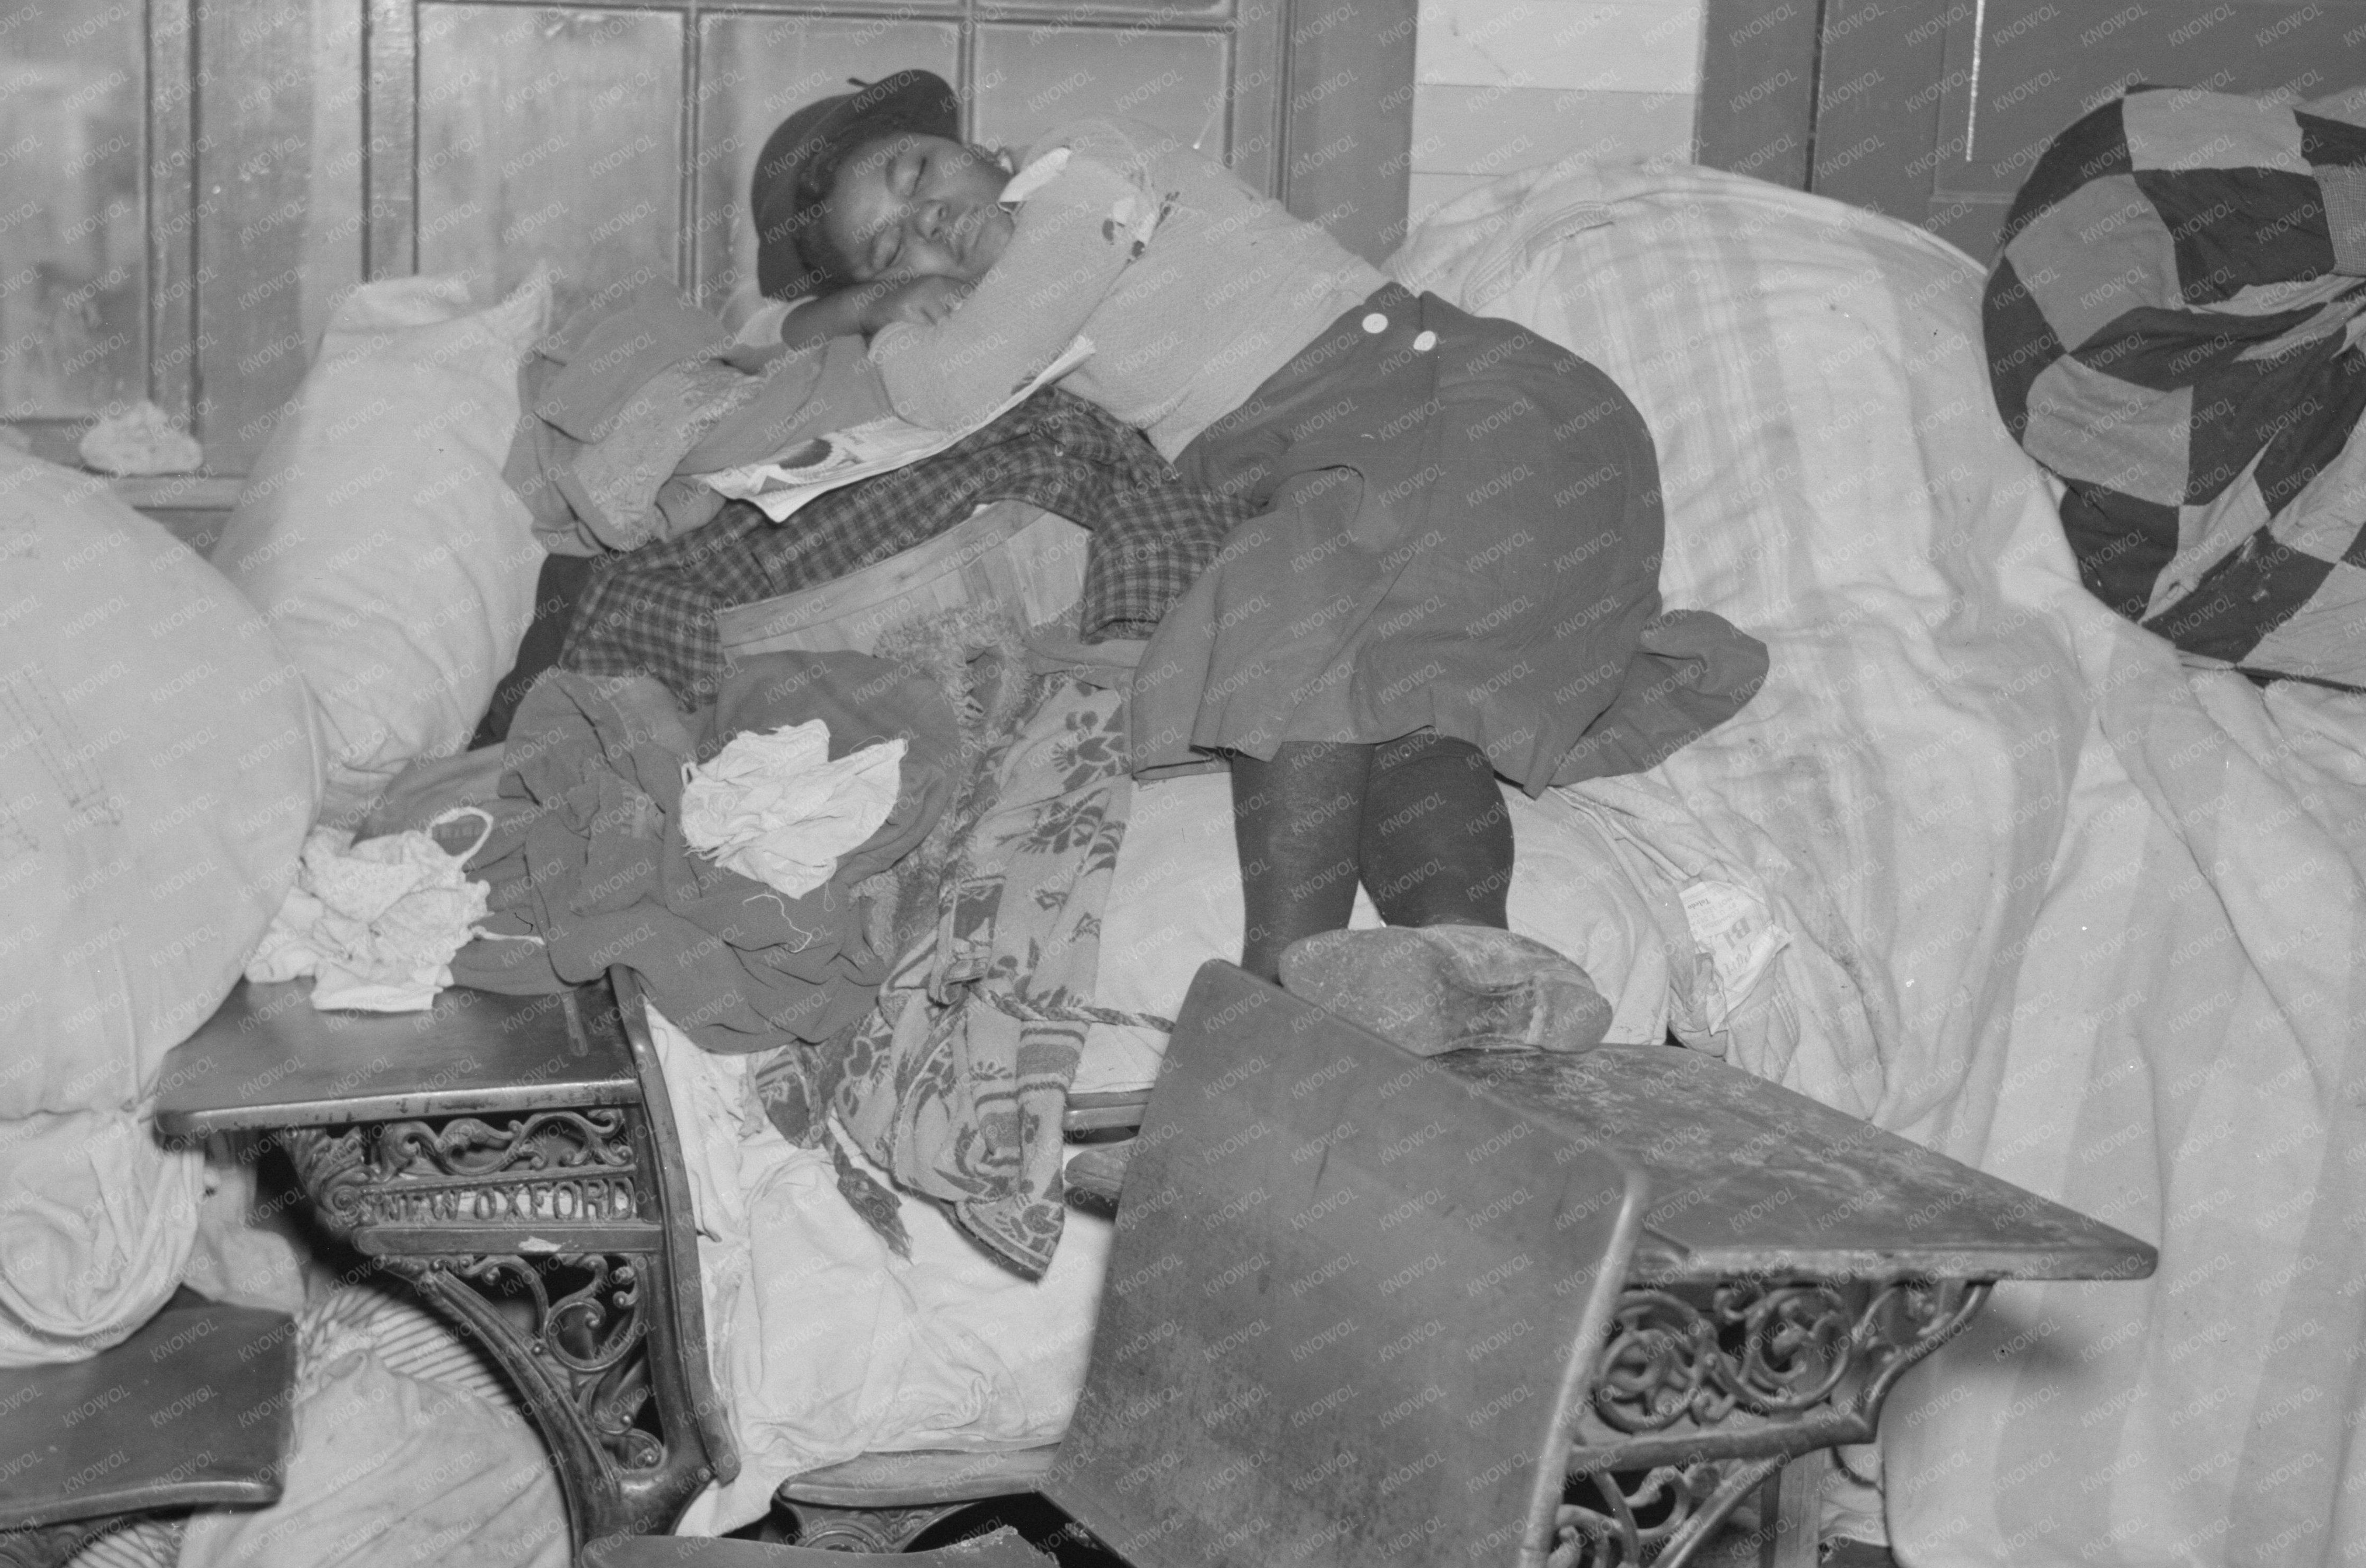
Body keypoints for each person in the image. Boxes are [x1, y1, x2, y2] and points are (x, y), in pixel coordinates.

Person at [742, 72, 1769, 1057]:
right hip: (1394, 474)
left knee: (1277, 614)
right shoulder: (1017, 308)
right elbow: (762, 337)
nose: (928, 224)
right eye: (891, 245)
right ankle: (1483, 992)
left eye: (920, 174)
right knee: (1399, 717)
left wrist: (887, 323)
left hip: (1468, 412)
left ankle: (1276, 1009)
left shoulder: (1084, 169)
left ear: (976, 146)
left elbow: (948, 384)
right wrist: (872, 305)